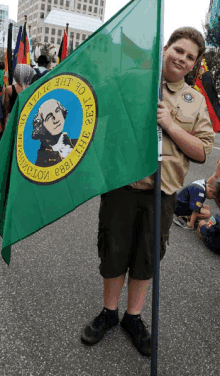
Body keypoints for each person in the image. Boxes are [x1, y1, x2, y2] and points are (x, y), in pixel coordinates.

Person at [81, 27, 215, 357]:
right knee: (113, 250)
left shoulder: (195, 101)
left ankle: (133, 318)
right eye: (178, 51)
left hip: (163, 194)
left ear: (195, 63)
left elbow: (201, 151)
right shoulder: (131, 79)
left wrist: (170, 126)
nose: (182, 59)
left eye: (190, 57)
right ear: (166, 48)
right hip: (123, 186)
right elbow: (96, 109)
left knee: (147, 256)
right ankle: (109, 313)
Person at [173, 161, 220, 229]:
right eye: (212, 197)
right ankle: (183, 217)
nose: (211, 199)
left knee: (207, 207)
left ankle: (188, 216)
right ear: (210, 190)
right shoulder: (200, 192)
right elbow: (195, 210)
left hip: (183, 201)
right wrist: (191, 225)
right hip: (179, 207)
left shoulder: (205, 183)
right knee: (207, 214)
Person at [32, 98, 78, 167]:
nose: (56, 119)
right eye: (49, 117)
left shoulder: (77, 143)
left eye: (57, 111)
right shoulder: (42, 162)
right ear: (41, 126)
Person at [2, 64, 34, 131]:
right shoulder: (32, 89)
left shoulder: (9, 89)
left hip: (13, 122)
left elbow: (6, 109)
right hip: (27, 122)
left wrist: (5, 125)